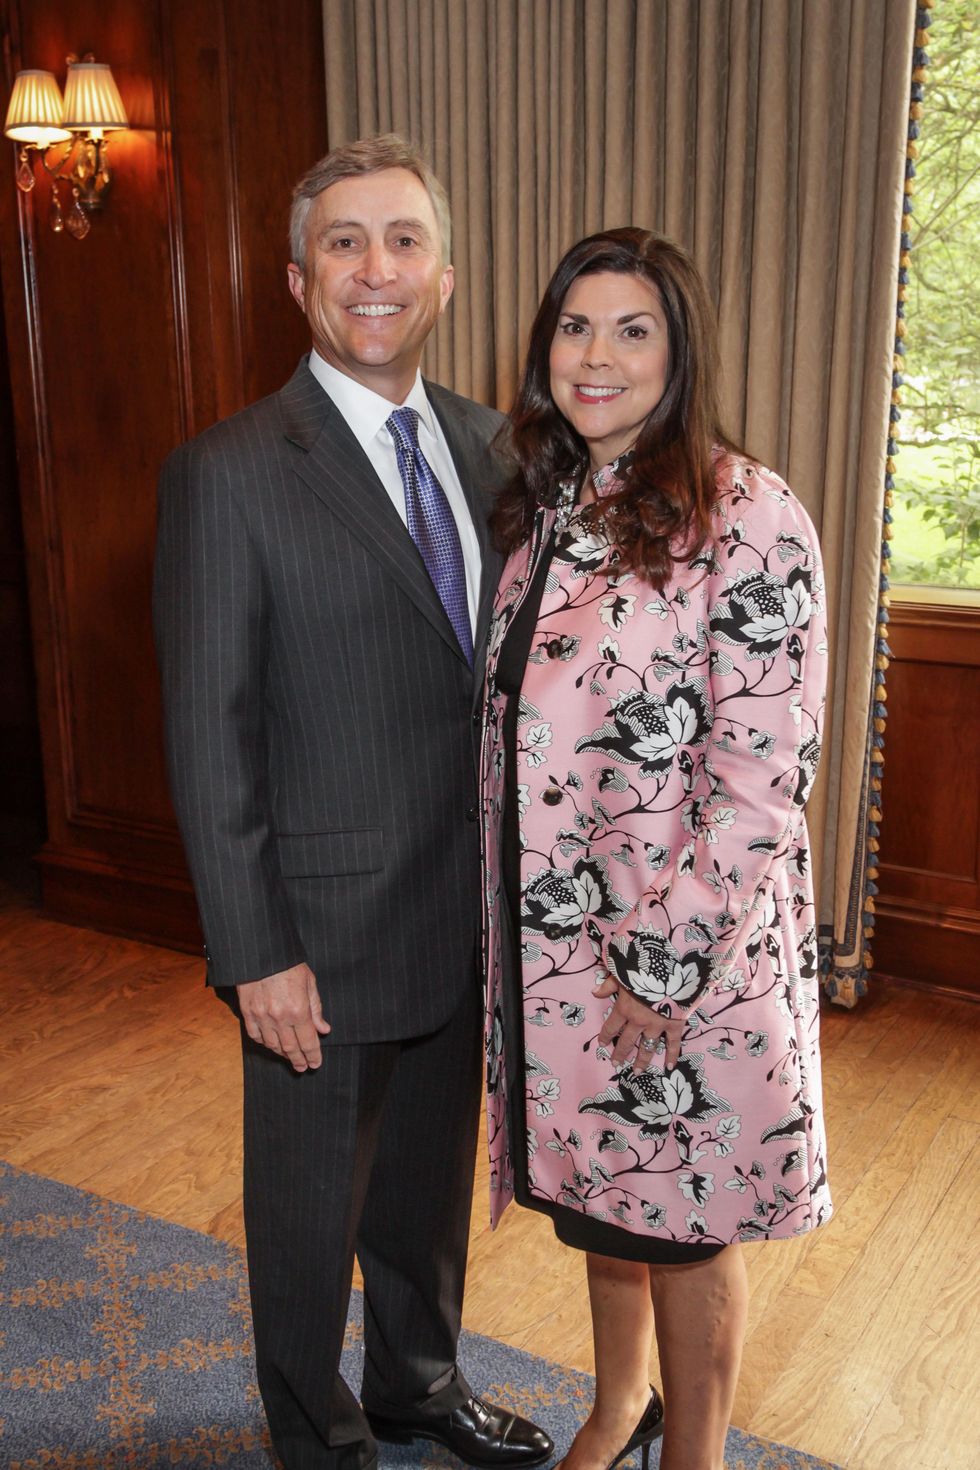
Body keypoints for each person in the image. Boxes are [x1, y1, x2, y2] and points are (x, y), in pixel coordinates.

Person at [154, 134, 552, 1470]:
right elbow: (212, 730)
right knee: (310, 1209)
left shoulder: (499, 449)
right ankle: (313, 1433)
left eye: (403, 241)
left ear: (446, 276)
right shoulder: (230, 470)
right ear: (296, 277)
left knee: (428, 1194)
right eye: (344, 241)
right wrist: (253, 946)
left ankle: (415, 1382)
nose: (375, 268)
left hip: (464, 908)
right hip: (313, 935)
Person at [480, 228, 832, 1470]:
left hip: (677, 965)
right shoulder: (546, 511)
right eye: (574, 326)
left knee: (683, 1219)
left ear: (678, 355)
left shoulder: (747, 514)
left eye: (632, 329)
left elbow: (759, 778)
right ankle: (614, 1405)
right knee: (601, 1201)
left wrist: (659, 963)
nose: (596, 355)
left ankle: (696, 1452)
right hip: (562, 955)